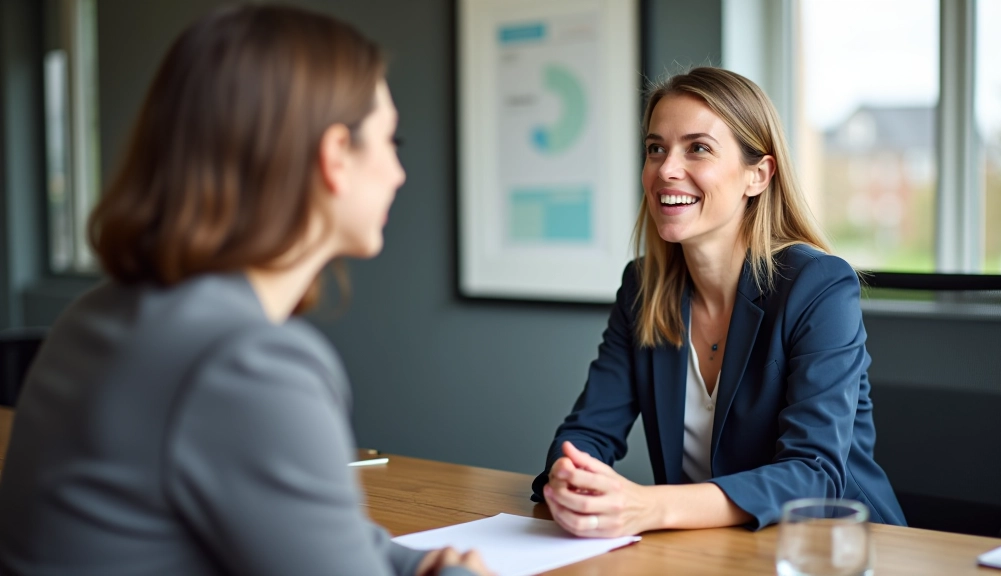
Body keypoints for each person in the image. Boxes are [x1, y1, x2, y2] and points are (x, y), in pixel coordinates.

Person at [0, 5, 489, 576]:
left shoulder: (99, 313)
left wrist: (418, 565)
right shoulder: (245, 364)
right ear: (335, 155)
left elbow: (311, 534)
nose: (399, 172)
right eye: (390, 140)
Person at [532, 67, 907, 537]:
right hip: (708, 549)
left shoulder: (818, 286)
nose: (666, 169)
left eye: (698, 148)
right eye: (655, 149)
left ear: (758, 175)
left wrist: (648, 507)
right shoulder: (643, 288)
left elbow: (813, 474)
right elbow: (588, 431)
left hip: (832, 547)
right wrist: (570, 475)